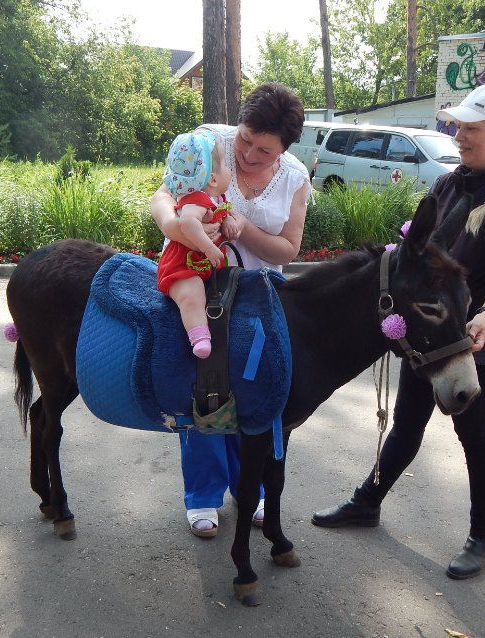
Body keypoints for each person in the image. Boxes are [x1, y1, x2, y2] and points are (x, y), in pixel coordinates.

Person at [311, 83, 485, 580]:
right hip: (432, 334)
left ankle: (483, 538)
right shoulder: (450, 183)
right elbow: (419, 254)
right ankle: (367, 502)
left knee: (473, 432)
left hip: (474, 339)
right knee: (407, 422)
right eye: (458, 127)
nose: (460, 136)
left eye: (472, 129)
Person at [151, 82, 310, 538]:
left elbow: (287, 248)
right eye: (245, 140)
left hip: (259, 292)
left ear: (283, 150)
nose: (248, 154)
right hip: (196, 283)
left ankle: (254, 489)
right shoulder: (208, 143)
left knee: (260, 392)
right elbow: (163, 196)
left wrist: (240, 232)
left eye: (264, 150)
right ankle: (202, 495)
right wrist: (177, 226)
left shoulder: (295, 177)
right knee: (203, 385)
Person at [157, 130, 237, 358]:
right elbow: (187, 223)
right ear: (212, 178)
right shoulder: (196, 200)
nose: (230, 172)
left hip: (204, 266)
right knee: (191, 296)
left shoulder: (217, 198)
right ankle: (199, 335)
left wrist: (228, 221)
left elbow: (224, 212)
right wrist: (208, 247)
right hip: (182, 265)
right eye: (225, 167)